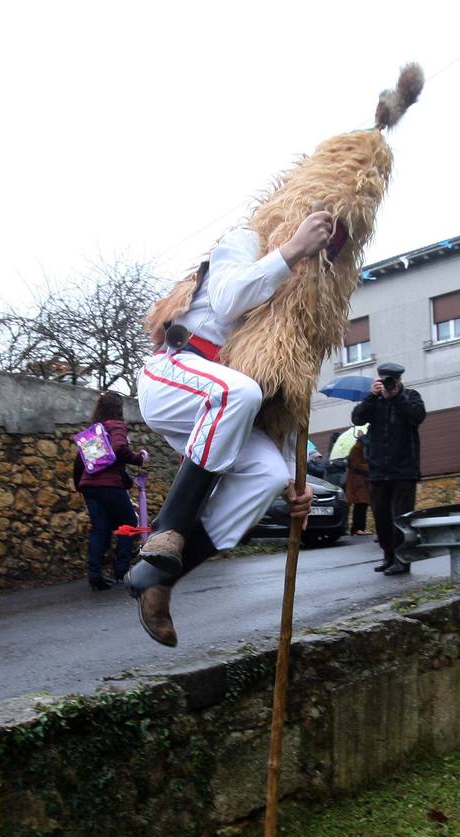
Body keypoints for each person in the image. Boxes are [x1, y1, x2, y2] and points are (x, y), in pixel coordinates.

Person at [126, 213, 330, 646]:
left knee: (267, 475)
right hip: (176, 374)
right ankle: (168, 528)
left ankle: (156, 578)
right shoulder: (245, 240)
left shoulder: (310, 304)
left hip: (227, 407)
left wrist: (295, 481)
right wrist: (293, 248)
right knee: (238, 391)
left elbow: (284, 391)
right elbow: (226, 298)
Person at [352, 361, 425, 576]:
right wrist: (372, 396)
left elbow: (417, 417)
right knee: (381, 517)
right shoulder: (374, 401)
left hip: (404, 471)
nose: (388, 384)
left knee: (401, 519)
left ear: (400, 380)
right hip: (378, 471)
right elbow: (357, 418)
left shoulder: (411, 396)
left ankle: (403, 560)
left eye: (391, 380)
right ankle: (388, 556)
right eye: (384, 380)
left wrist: (397, 396)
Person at [73, 391, 147, 591]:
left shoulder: (93, 430)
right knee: (128, 523)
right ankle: (121, 569)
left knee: (100, 529)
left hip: (89, 487)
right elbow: (120, 448)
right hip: (110, 486)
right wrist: (138, 458)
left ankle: (95, 574)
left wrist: (80, 485)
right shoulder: (117, 426)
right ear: (118, 408)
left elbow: (79, 461)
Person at [343, 426, 372, 535]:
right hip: (357, 482)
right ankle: (357, 529)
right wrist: (371, 467)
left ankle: (359, 528)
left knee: (362, 505)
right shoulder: (357, 449)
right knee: (360, 505)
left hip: (361, 482)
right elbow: (356, 465)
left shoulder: (363, 449)